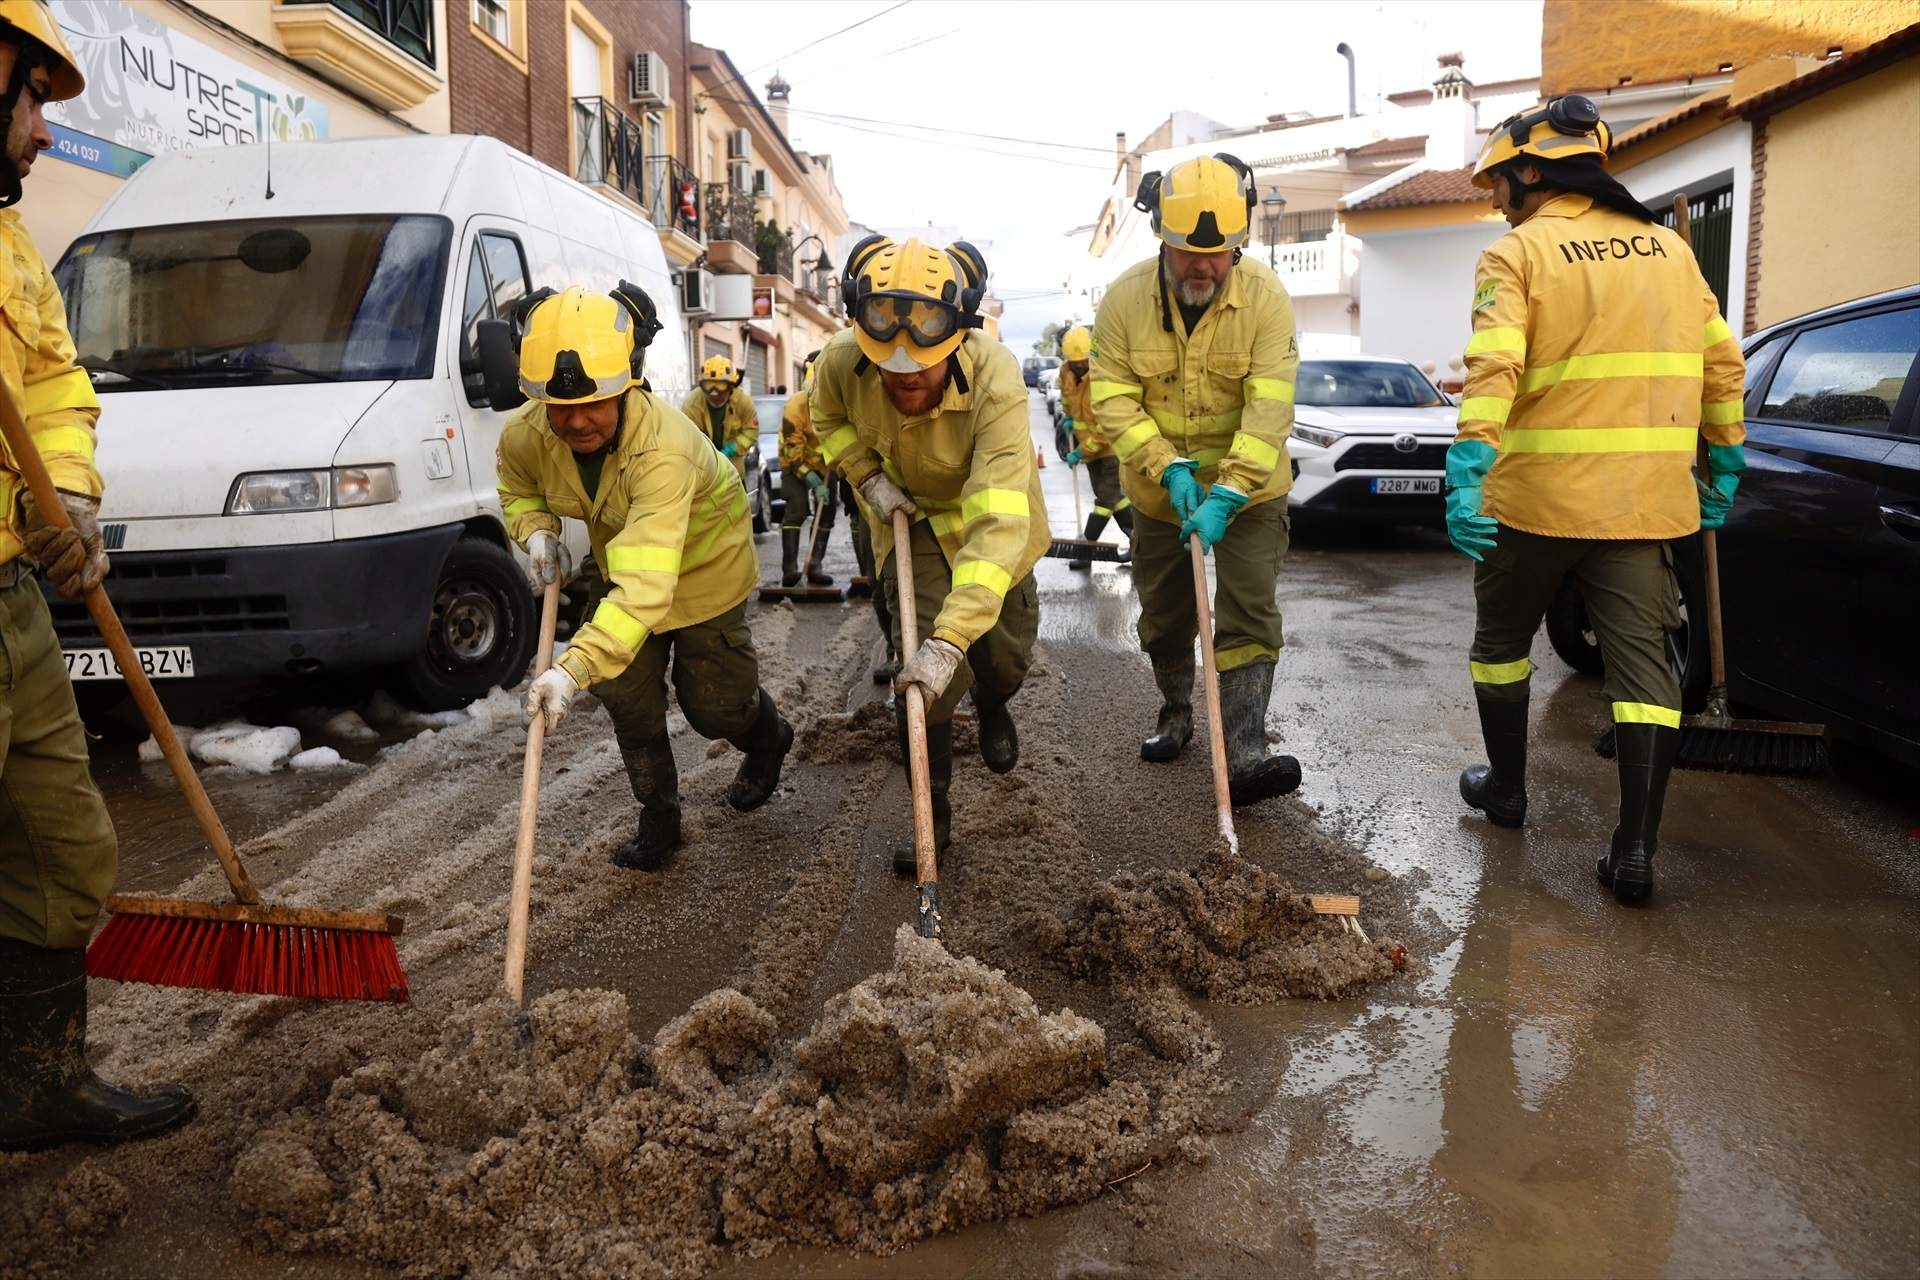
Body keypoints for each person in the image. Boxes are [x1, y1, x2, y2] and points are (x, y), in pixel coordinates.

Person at [1447, 95, 1745, 904]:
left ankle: (1508, 793)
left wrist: (1469, 466)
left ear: (1532, 171)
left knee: (1502, 646)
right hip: (1644, 509)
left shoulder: (1519, 253)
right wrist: (1724, 462)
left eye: (1500, 181)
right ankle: (1635, 851)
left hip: (1533, 506)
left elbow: (1494, 367)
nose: (1496, 198)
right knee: (1645, 676)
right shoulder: (1671, 252)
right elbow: (1724, 366)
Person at [0, 0, 197, 1152]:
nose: (41, 131)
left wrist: (63, 495)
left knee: (64, 850)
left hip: (15, 600)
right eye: (30, 97)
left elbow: (58, 384)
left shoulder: (13, 245)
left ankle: (36, 1082)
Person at [500, 284, 794, 871]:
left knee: (713, 707)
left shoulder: (663, 449)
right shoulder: (529, 433)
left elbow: (644, 592)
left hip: (703, 566)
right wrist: (536, 532)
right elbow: (518, 485)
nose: (576, 421)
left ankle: (767, 739)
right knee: (628, 698)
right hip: (627, 559)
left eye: (593, 404)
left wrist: (571, 668)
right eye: (561, 408)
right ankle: (660, 816)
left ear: (627, 384)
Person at [813, 235, 1046, 870]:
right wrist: (865, 475)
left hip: (988, 517)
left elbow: (997, 521)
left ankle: (995, 702)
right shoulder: (838, 361)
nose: (905, 376)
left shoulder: (996, 376)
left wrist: (954, 642)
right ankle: (932, 821)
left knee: (1003, 654)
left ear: (957, 337)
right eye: (889, 367)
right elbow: (825, 418)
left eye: (923, 365)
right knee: (920, 678)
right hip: (907, 516)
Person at [1090, 152, 1302, 805]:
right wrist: (1168, 468)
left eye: (1221, 252)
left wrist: (1228, 493)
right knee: (1166, 615)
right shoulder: (1124, 301)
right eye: (1187, 252)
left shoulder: (1265, 300)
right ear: (1163, 238)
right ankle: (1177, 712)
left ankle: (1243, 749)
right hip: (1160, 493)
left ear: (1240, 242)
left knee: (1248, 610)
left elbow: (1269, 412)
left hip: (1250, 493)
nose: (1203, 266)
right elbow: (1112, 400)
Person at [1058, 323, 1133, 569]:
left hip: (1110, 450)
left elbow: (1106, 427)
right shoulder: (1065, 372)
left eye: (1083, 361)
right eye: (1074, 361)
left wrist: (1080, 451)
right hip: (1089, 452)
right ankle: (1138, 544)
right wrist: (1068, 417)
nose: (1079, 366)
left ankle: (1086, 551)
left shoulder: (1102, 375)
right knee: (1116, 499)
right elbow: (1066, 398)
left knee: (1105, 500)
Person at [776, 349, 834, 588]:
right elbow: (792, 450)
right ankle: (790, 569)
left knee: (827, 513)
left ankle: (814, 566)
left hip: (827, 464)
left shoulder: (836, 402)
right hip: (794, 462)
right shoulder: (796, 406)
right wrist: (810, 478)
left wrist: (826, 475)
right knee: (796, 511)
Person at [679, 354, 755, 481]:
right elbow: (685, 438)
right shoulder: (691, 404)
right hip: (703, 475)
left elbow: (751, 431)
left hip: (734, 474)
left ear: (731, 387)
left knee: (738, 501)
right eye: (709, 388)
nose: (714, 394)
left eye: (720, 389)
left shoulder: (743, 402)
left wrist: (733, 448)